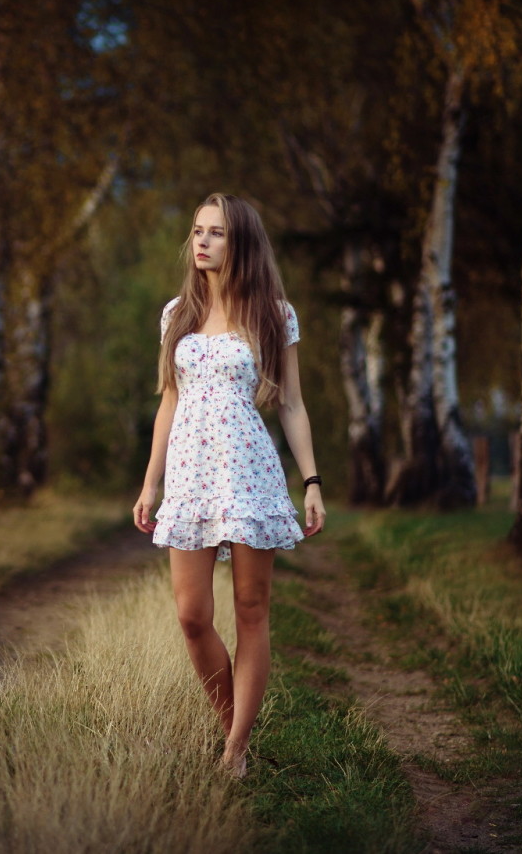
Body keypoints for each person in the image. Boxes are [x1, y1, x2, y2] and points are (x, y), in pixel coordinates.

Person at [133, 192, 326, 778]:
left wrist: (312, 482)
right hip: (190, 478)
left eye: (215, 232)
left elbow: (291, 404)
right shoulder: (177, 314)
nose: (201, 241)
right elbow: (169, 402)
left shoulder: (274, 312)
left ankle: (235, 750)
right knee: (192, 615)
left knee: (251, 610)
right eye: (197, 231)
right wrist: (150, 485)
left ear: (239, 241)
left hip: (250, 476)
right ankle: (232, 726)